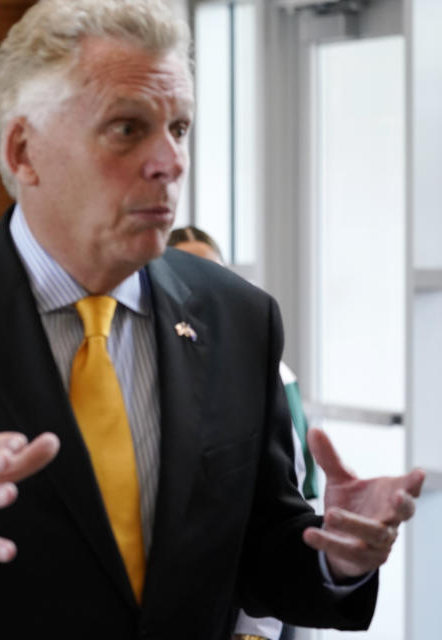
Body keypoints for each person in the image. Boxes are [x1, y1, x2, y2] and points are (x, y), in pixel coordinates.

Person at [0, 2, 425, 638]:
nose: (170, 162)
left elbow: (258, 554)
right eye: (128, 128)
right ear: (23, 152)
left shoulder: (237, 316)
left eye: (179, 127)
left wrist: (337, 556)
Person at [168, 225, 316, 640]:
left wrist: (255, 629)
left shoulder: (264, 366)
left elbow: (290, 490)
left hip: (252, 605)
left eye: (211, 269)